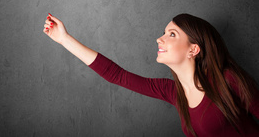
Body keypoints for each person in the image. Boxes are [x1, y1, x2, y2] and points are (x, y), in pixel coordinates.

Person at [43, 12, 259, 136]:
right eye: (163, 33)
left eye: (171, 34)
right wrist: (64, 39)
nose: (160, 39)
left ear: (193, 49)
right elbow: (115, 75)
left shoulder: (227, 80)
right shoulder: (173, 92)